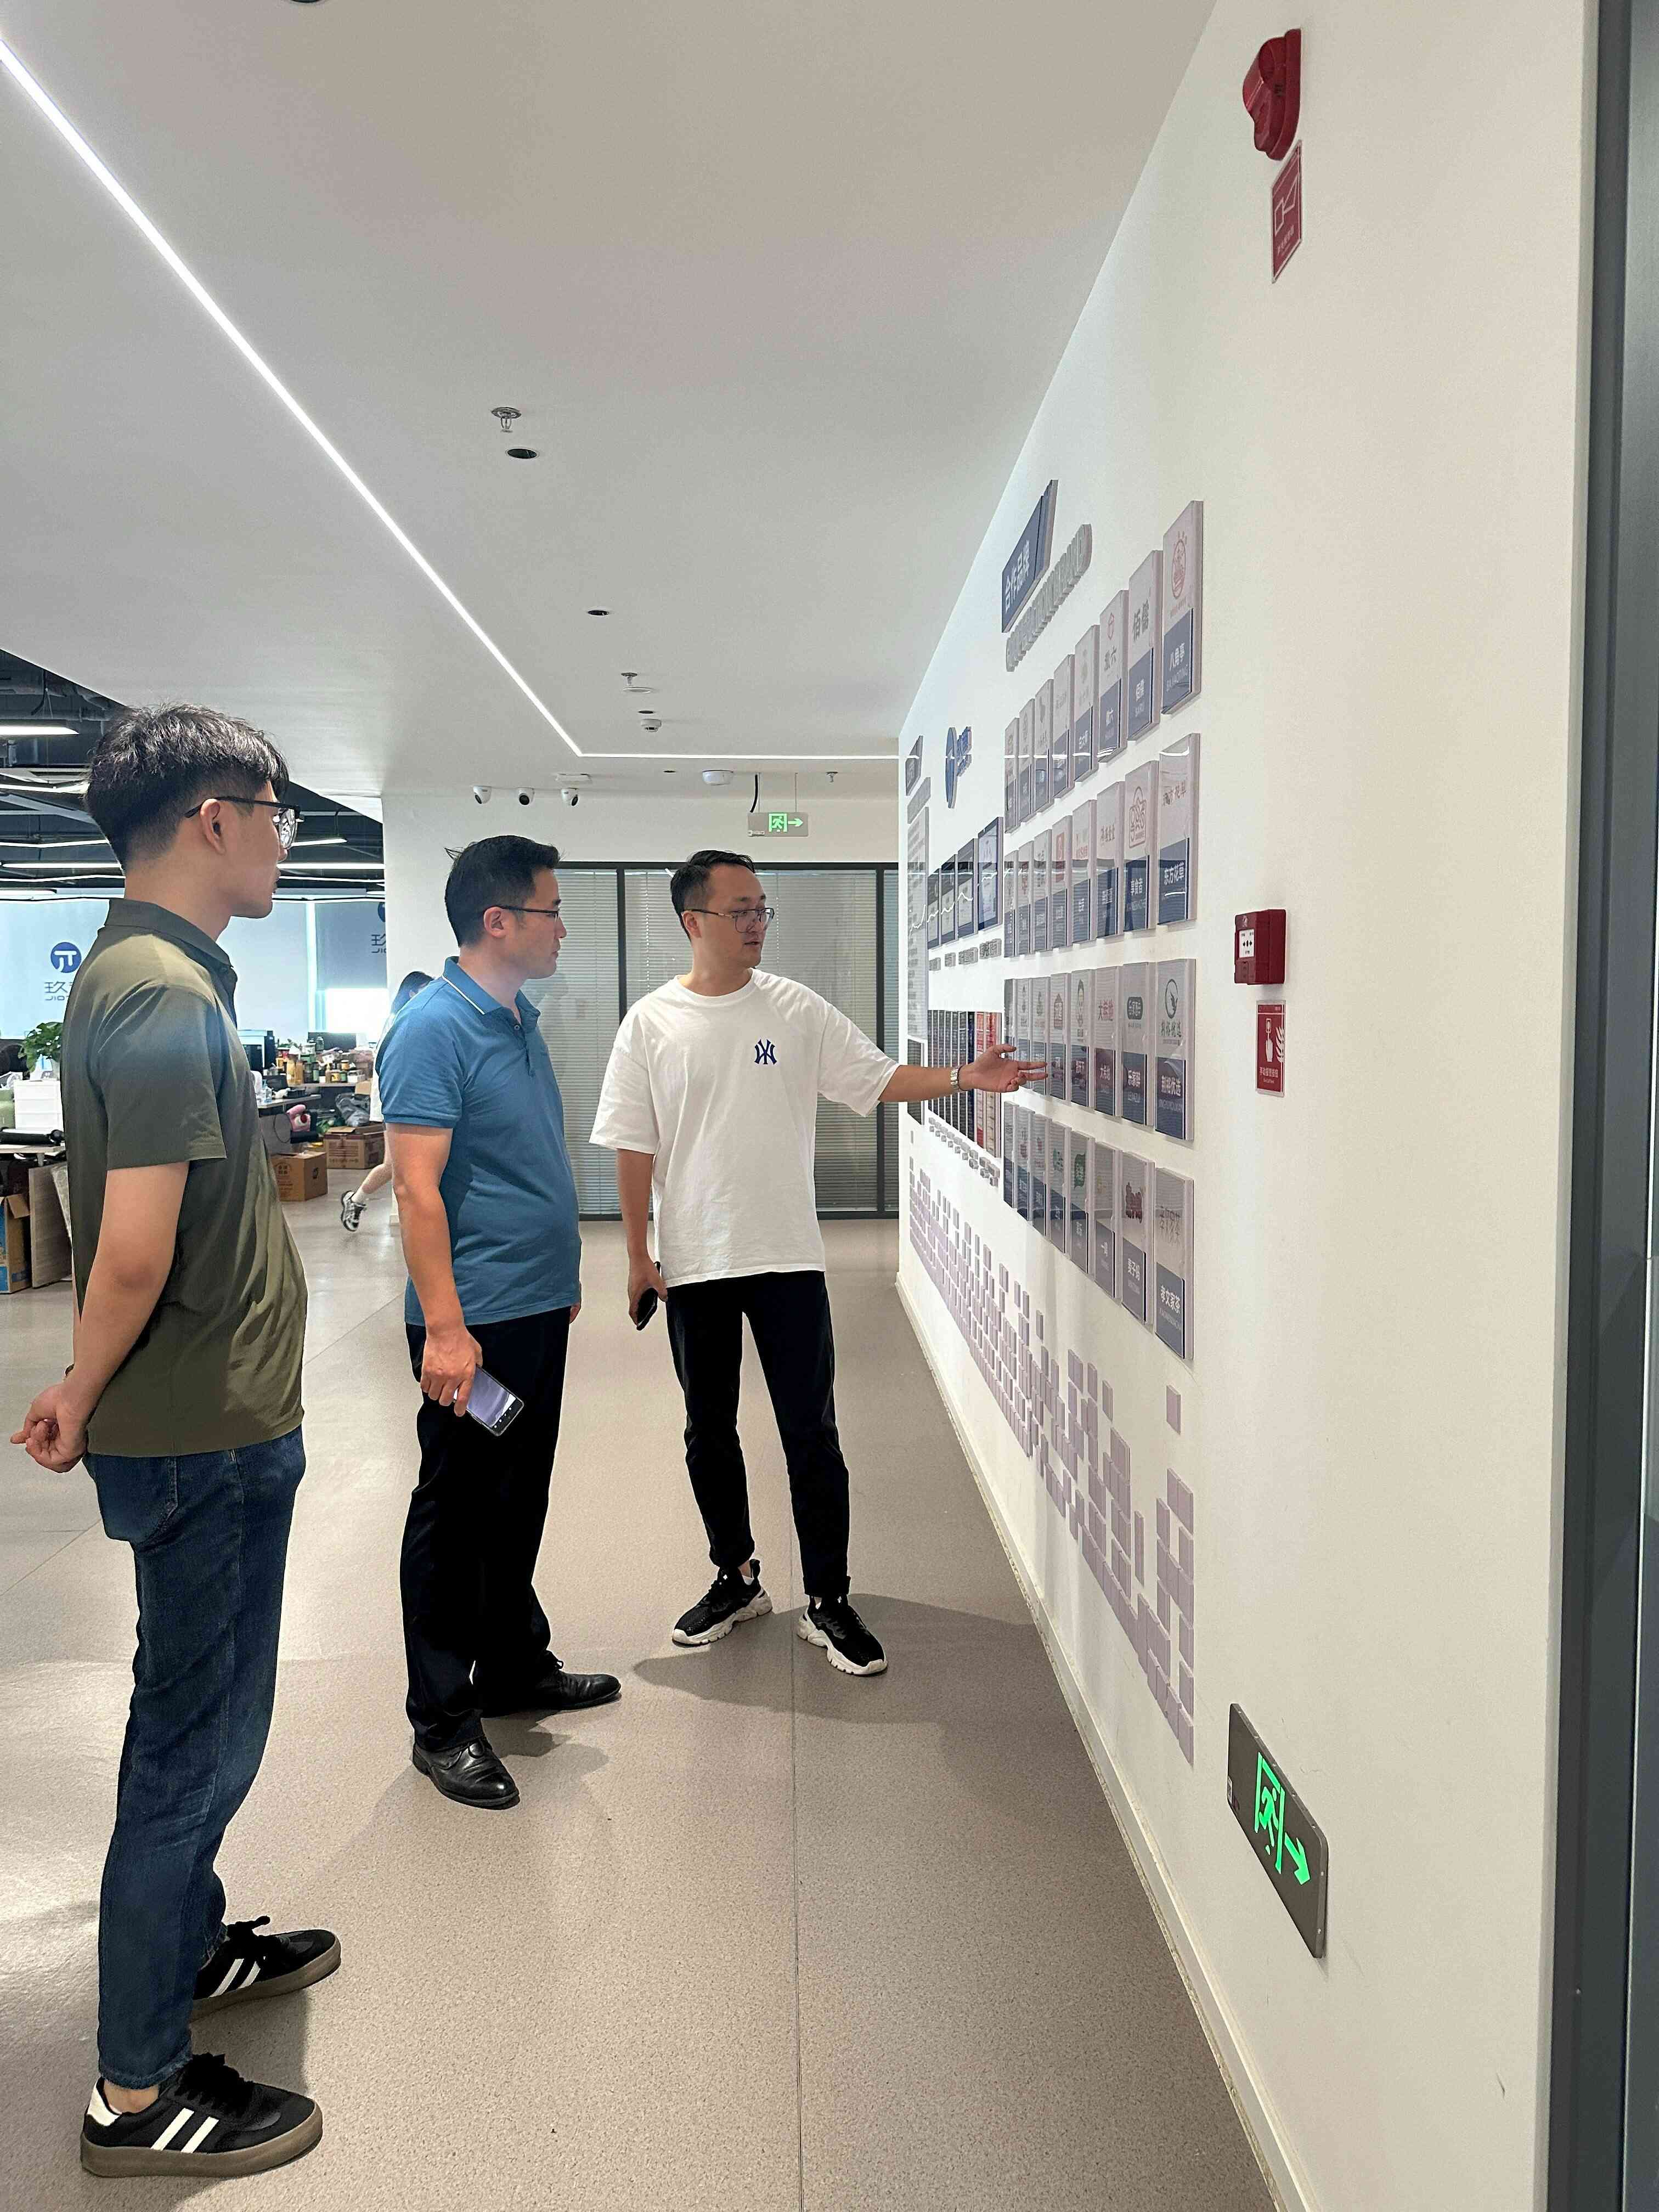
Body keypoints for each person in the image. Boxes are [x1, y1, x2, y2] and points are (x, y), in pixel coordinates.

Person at [9, 706, 334, 2181]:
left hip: (216, 1421)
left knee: (210, 1733)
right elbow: (132, 1248)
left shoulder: (163, 977)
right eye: (276, 814)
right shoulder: (155, 992)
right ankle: (135, 2093)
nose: (283, 841)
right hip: (204, 1439)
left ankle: (189, 1950)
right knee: (189, 1753)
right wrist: (84, 1386)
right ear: (215, 817)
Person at [590, 850, 1046, 1677]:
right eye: (740, 910)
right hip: (694, 1260)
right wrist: (635, 1255)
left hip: (787, 1258)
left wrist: (963, 1077)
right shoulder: (650, 1025)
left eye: (762, 908)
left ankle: (829, 1598)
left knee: (812, 1433)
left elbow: (877, 1077)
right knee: (708, 1432)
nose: (757, 923)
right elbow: (633, 1142)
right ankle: (736, 1577)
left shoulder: (794, 1009)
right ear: (694, 922)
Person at [377, 836, 618, 1810]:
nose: (562, 928)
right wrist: (445, 1329)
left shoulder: (517, 1017)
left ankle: (512, 1663)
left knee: (517, 1496)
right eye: (551, 911)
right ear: (498, 921)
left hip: (532, 1309)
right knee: (458, 1510)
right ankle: (441, 1719)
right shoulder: (432, 1029)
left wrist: (559, 1273)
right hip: (470, 1327)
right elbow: (415, 1188)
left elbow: (522, 1159)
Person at [339, 969, 432, 1231]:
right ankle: (355, 1200)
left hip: (404, 1102)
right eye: (425, 991)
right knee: (393, 1165)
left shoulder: (408, 1019)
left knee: (406, 1165)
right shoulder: (401, 1021)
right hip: (394, 1103)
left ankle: (357, 1200)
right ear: (412, 993)